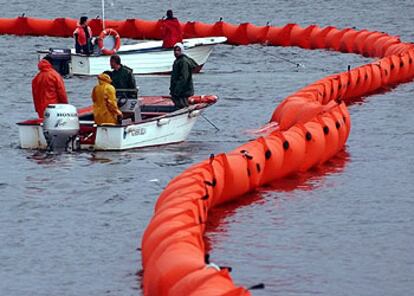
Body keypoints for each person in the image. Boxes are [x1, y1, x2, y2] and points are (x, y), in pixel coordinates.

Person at [169, 43, 198, 109]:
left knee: (182, 106)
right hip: (178, 91)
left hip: (183, 92)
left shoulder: (183, 61)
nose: (176, 52)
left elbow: (184, 78)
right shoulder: (177, 61)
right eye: (175, 50)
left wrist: (177, 91)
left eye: (178, 50)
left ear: (182, 51)